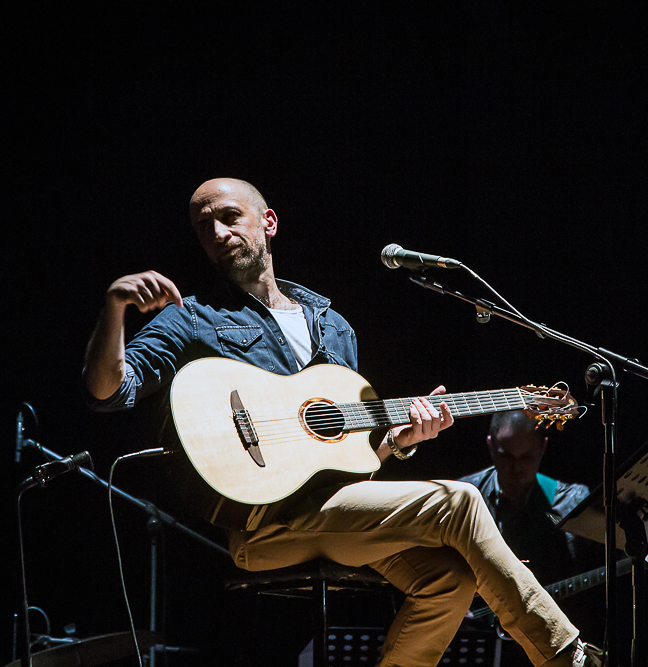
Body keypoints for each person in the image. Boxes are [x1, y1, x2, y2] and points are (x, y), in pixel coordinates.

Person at [83, 178, 597, 667]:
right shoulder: (191, 317)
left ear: (269, 222)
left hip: (332, 512)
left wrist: (400, 440)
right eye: (204, 226)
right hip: (263, 524)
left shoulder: (331, 323)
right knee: (459, 499)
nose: (218, 232)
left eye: (229, 217)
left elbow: (347, 456)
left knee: (450, 578)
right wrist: (115, 307)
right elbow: (109, 392)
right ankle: (565, 654)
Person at [460, 412, 605, 655]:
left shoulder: (571, 503)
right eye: (506, 456)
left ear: (543, 448)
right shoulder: (463, 497)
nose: (516, 468)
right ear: (490, 446)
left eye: (526, 457)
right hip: (481, 645)